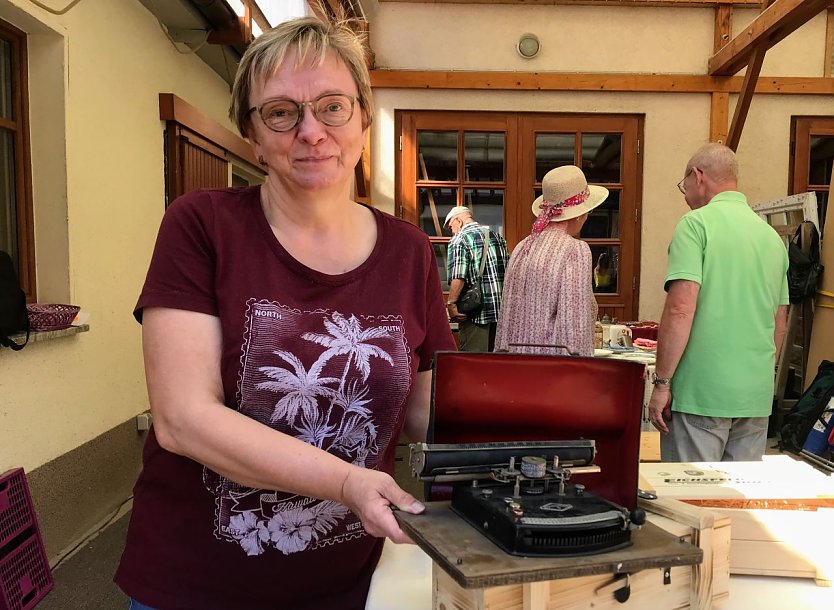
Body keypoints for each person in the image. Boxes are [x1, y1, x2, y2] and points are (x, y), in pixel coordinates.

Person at [115, 16, 456, 610]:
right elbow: (182, 417)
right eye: (280, 113)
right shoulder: (203, 226)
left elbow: (433, 415)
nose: (310, 132)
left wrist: (558, 453)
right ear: (252, 135)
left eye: (332, 107)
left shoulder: (409, 252)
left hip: (354, 584)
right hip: (196, 587)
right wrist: (348, 482)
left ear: (361, 119)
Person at [647, 143, 789, 462]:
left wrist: (662, 383)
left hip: (701, 393)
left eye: (683, 184)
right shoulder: (771, 238)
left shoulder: (695, 225)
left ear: (698, 176)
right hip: (753, 395)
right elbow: (779, 324)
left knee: (691, 504)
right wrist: (759, 378)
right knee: (736, 504)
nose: (683, 194)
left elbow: (681, 308)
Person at [495, 165, 608, 356]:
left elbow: (506, 320)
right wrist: (579, 371)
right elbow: (573, 328)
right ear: (580, 214)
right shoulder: (575, 250)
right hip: (551, 372)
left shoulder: (523, 246)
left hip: (514, 367)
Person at [445, 206, 509, 351]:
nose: (452, 231)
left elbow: (458, 276)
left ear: (458, 221)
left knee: (473, 365)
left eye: (451, 227)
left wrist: (451, 303)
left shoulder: (459, 239)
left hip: (476, 314)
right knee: (497, 365)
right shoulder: (497, 237)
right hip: (501, 314)